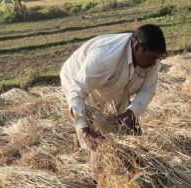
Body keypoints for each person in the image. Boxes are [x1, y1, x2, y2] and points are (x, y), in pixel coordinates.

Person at [59, 24, 166, 152]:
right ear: (137, 46)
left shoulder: (151, 59)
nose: (154, 63)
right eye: (152, 57)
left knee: (129, 130)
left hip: (111, 82)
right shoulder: (105, 57)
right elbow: (78, 90)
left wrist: (131, 112)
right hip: (78, 79)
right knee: (95, 135)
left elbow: (148, 90)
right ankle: (89, 152)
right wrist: (83, 130)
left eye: (157, 58)